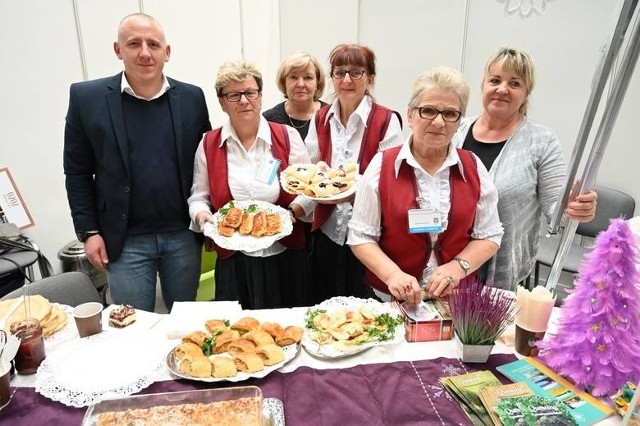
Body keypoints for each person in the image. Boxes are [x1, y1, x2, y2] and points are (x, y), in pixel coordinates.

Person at [63, 13, 211, 312]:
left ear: (166, 52)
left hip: (182, 235)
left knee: (183, 321)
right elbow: (77, 172)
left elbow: (205, 165)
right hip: (125, 240)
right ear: (118, 50)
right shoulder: (86, 98)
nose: (145, 52)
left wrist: (210, 218)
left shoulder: (192, 97)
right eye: (134, 43)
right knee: (132, 329)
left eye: (153, 44)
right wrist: (89, 232)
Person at [348, 67, 504, 303]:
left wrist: (458, 267)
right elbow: (360, 236)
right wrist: (393, 275)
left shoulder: (473, 167)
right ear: (410, 115)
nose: (439, 122)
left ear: (459, 121)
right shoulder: (382, 165)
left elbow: (490, 235)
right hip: (391, 299)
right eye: (428, 111)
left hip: (455, 300)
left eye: (450, 114)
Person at [452, 47, 597, 290]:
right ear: (483, 86)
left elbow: (556, 210)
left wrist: (575, 207)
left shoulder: (541, 141)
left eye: (515, 83)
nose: (502, 89)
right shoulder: (456, 130)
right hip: (446, 263)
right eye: (495, 80)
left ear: (526, 92)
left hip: (500, 270)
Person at [188, 61, 312, 309]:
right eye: (234, 95)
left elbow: (309, 190)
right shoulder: (209, 144)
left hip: (285, 255)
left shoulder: (288, 136)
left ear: (260, 96)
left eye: (250, 92)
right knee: (239, 335)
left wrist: (292, 213)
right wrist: (203, 217)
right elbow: (198, 198)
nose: (244, 101)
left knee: (287, 328)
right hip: (235, 262)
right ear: (222, 102)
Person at [304, 43, 404, 304]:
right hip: (327, 232)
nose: (347, 79)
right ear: (332, 78)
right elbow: (312, 165)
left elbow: (390, 183)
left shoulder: (386, 120)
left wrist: (349, 188)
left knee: (364, 310)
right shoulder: (320, 117)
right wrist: (319, 175)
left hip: (370, 238)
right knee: (324, 306)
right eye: (340, 72)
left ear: (370, 79)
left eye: (356, 72)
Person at [263, 52, 328, 140]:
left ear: (317, 82)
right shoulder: (268, 120)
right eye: (293, 77)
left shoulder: (331, 117)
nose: (300, 84)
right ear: (283, 82)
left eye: (308, 78)